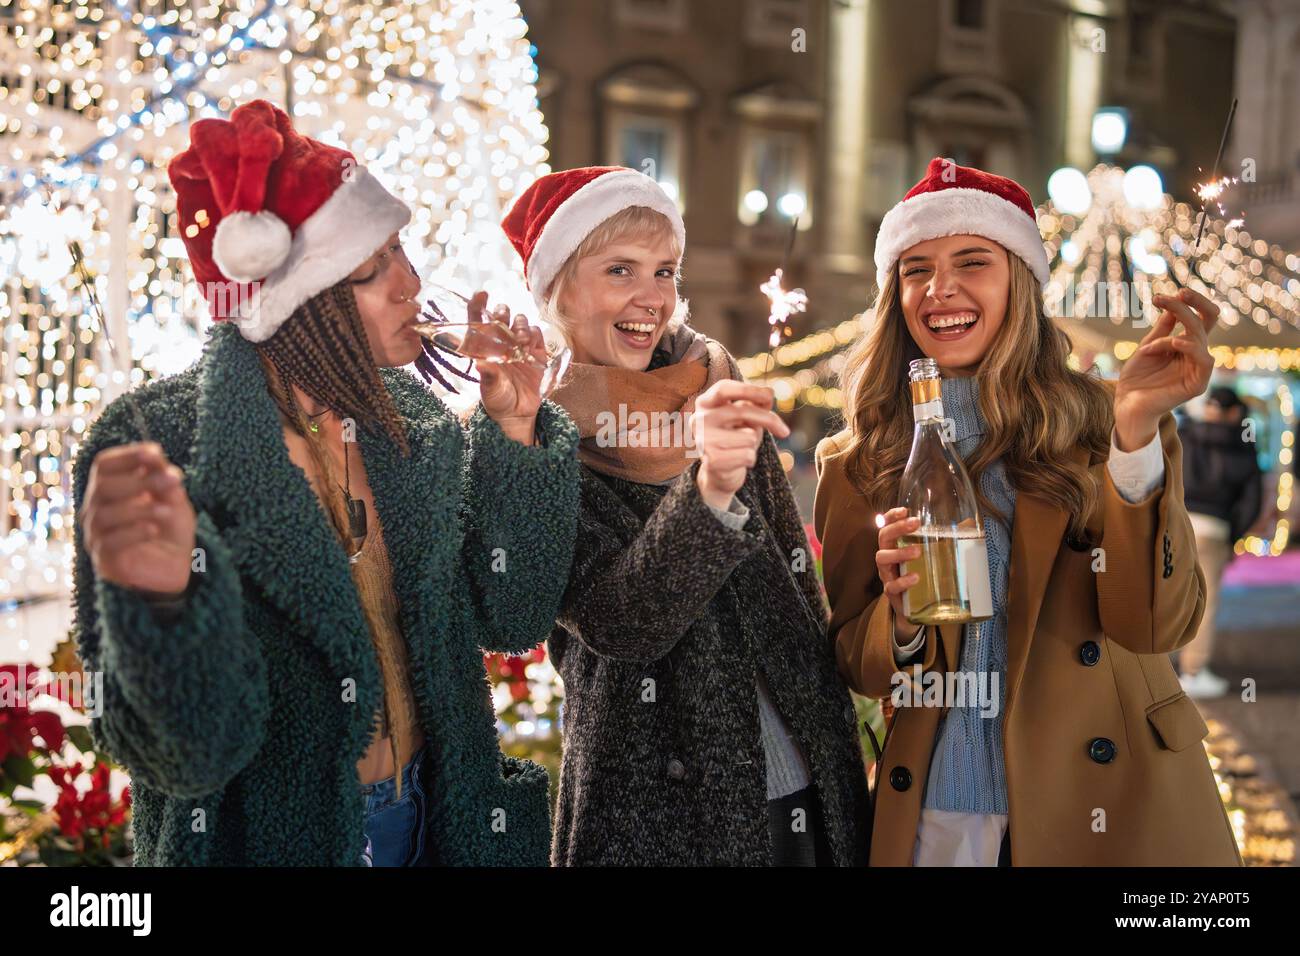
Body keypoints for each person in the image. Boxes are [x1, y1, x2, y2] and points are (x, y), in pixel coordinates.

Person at [71, 100, 579, 866]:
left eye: (404, 249)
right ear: (302, 302)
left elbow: (513, 617)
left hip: (442, 827)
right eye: (377, 268)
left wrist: (514, 431)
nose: (414, 283)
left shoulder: (416, 427)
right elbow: (185, 757)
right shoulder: (159, 445)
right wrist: (164, 605)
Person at [815, 158, 1241, 866]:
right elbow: (856, 665)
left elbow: (1158, 622)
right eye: (916, 268)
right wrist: (896, 621)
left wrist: (1131, 434)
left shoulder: (1106, 417)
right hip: (942, 809)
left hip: (1113, 803)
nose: (939, 289)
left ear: (1022, 279)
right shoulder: (857, 460)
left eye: (971, 261)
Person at [501, 166, 870, 865]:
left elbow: (798, 595)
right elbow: (621, 622)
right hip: (660, 815)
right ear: (557, 293)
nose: (652, 297)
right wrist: (708, 491)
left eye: (664, 270)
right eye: (619, 270)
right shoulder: (536, 436)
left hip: (809, 783)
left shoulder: (716, 381)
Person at [1177, 385, 1263, 698]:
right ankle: (1193, 671)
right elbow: (1251, 501)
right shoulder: (1244, 443)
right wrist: (1233, 534)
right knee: (1206, 602)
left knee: (1168, 595)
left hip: (1179, 523)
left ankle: (1152, 671)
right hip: (1215, 529)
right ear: (1235, 412)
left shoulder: (1186, 433)